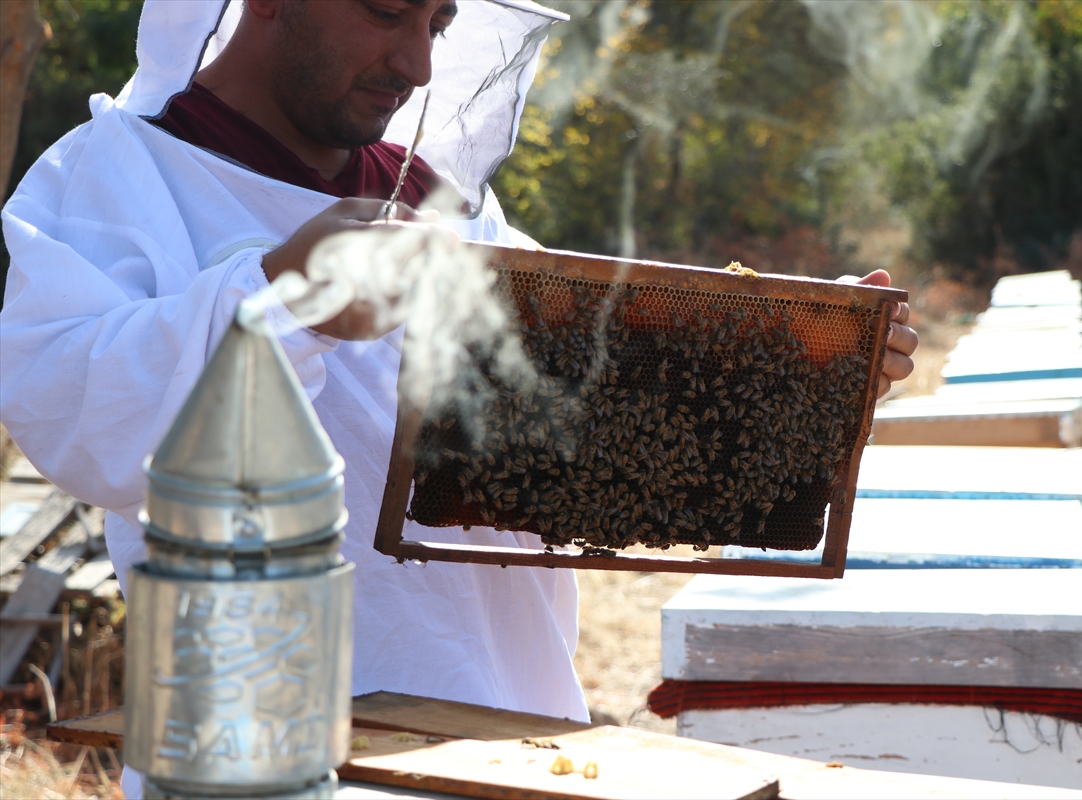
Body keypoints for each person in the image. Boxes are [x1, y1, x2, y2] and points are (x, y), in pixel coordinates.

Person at [1, 0, 916, 794]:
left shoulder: (442, 201)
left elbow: (579, 436)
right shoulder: (113, 179)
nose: (418, 63)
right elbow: (73, 416)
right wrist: (281, 292)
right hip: (257, 749)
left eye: (438, 21)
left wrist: (796, 378)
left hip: (510, 737)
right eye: (388, 11)